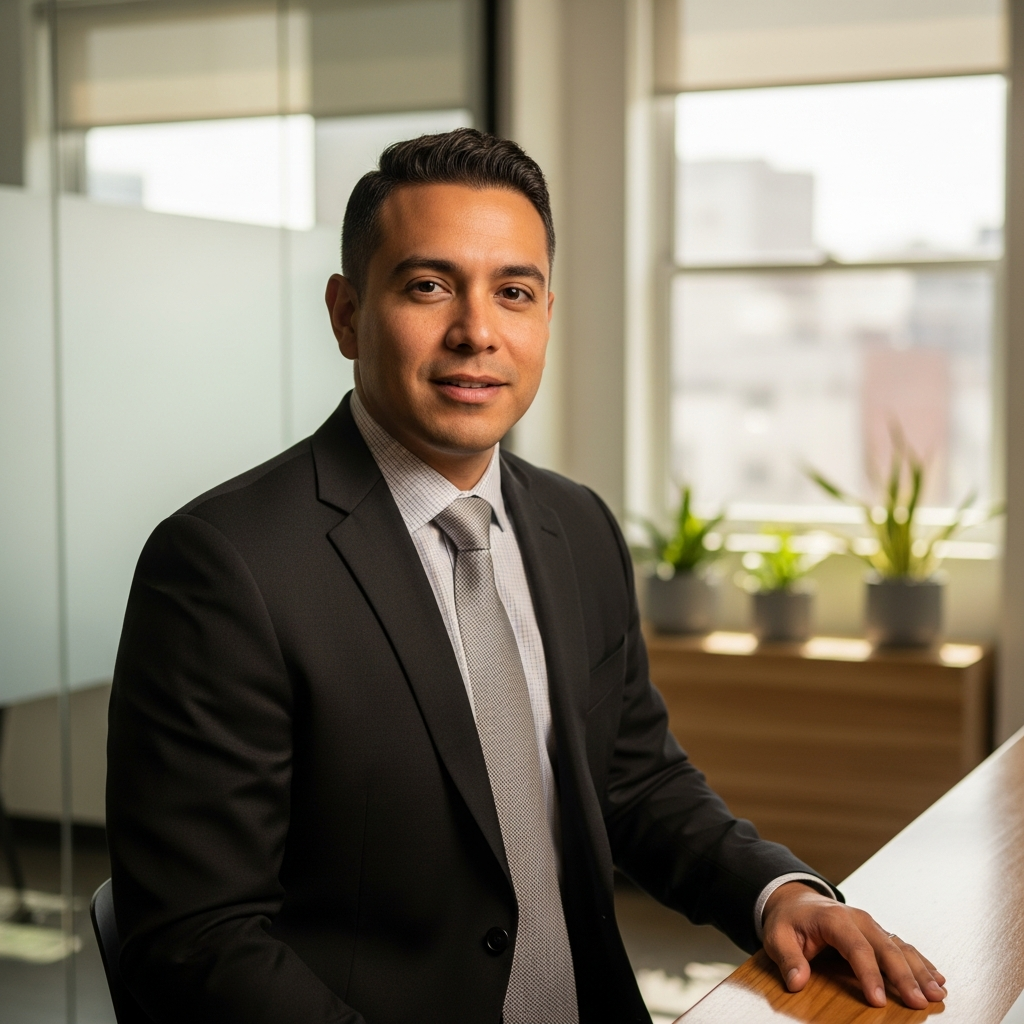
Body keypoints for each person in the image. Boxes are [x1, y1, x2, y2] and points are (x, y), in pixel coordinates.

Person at [106, 129, 946, 1024]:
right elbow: (200, 936)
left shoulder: (574, 526)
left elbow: (637, 783)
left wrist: (780, 894)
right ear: (347, 314)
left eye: (514, 291)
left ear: (546, 314)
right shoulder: (222, 567)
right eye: (428, 286)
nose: (477, 331)